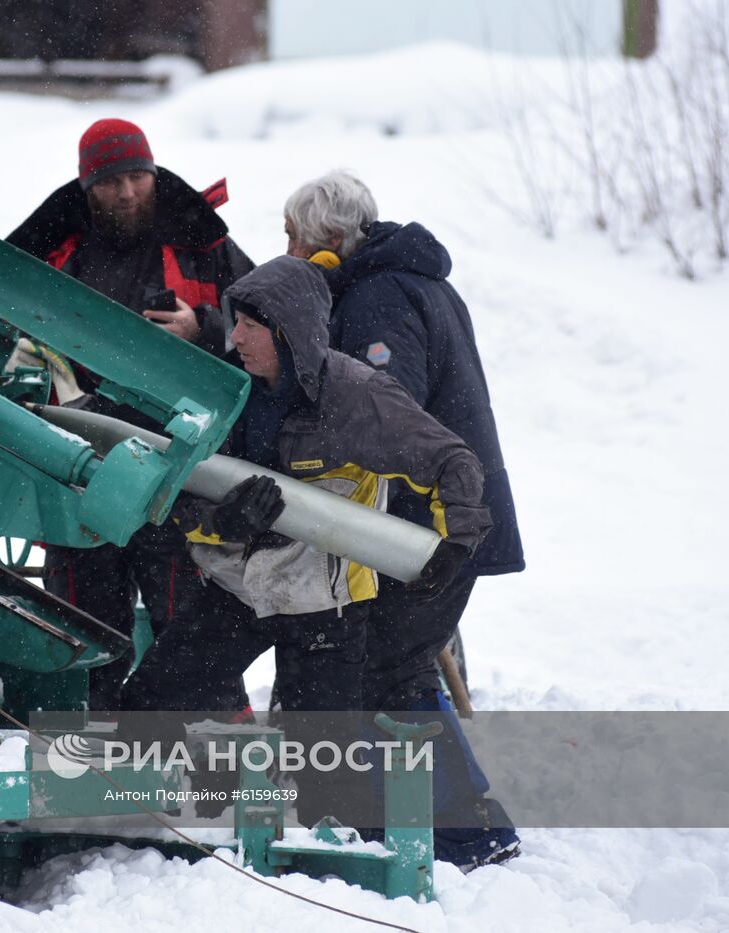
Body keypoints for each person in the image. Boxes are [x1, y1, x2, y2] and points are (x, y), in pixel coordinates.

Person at [123, 255, 491, 827]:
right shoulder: (225, 390)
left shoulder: (358, 397)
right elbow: (172, 496)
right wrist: (222, 525)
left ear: (290, 329)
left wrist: (455, 544)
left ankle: (338, 884)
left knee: (326, 778)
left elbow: (452, 461)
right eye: (234, 320)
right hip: (239, 590)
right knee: (148, 703)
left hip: (328, 607)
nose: (235, 336)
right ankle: (113, 822)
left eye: (250, 325)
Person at [283, 170, 524, 869]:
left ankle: (463, 830)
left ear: (330, 242)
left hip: (434, 525)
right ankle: (448, 821)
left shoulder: (376, 299)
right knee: (397, 664)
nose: (289, 253)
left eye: (294, 239)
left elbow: (388, 413)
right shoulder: (416, 280)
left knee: (392, 667)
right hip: (455, 514)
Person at [5, 118, 253, 711]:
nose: (127, 193)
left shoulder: (200, 238)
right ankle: (90, 761)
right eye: (112, 182)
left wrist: (205, 328)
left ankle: (221, 764)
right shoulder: (48, 245)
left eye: (138, 176)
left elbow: (264, 320)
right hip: (77, 464)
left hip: (178, 467)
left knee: (188, 627)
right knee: (83, 627)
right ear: (87, 186)